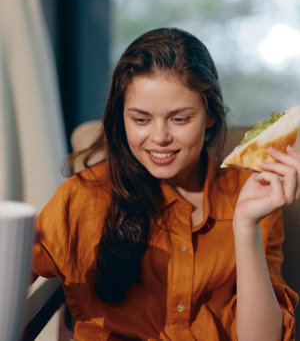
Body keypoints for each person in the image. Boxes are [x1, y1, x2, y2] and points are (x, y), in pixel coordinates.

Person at [32, 27, 299, 340]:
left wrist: (245, 225)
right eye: (141, 119)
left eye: (180, 118)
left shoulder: (251, 194)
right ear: (122, 116)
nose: (159, 137)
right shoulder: (83, 197)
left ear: (210, 114)